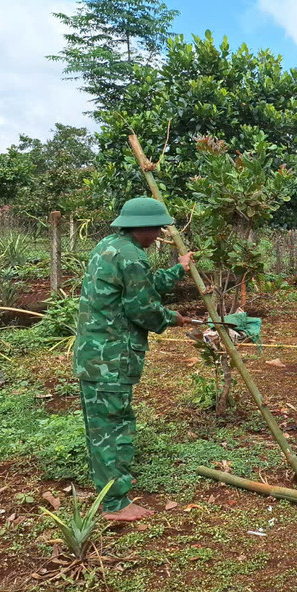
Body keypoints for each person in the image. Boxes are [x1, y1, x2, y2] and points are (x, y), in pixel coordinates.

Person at [73, 197, 193, 522]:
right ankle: (115, 503)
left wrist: (178, 270)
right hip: (112, 357)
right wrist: (172, 318)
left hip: (93, 355)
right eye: (155, 228)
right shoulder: (132, 256)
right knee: (113, 425)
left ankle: (111, 482)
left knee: (100, 427)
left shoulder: (110, 246)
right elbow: (142, 309)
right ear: (142, 227)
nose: (157, 235)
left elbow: (143, 286)